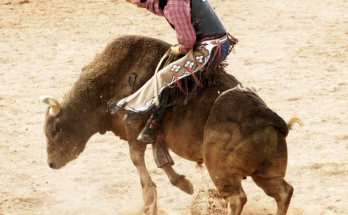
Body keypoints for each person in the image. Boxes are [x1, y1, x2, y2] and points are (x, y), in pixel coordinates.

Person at [110, 0, 237, 143]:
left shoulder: (175, 4)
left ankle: (152, 121)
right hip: (214, 42)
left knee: (165, 76)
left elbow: (188, 40)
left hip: (210, 49)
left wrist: (179, 49)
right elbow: (160, 7)